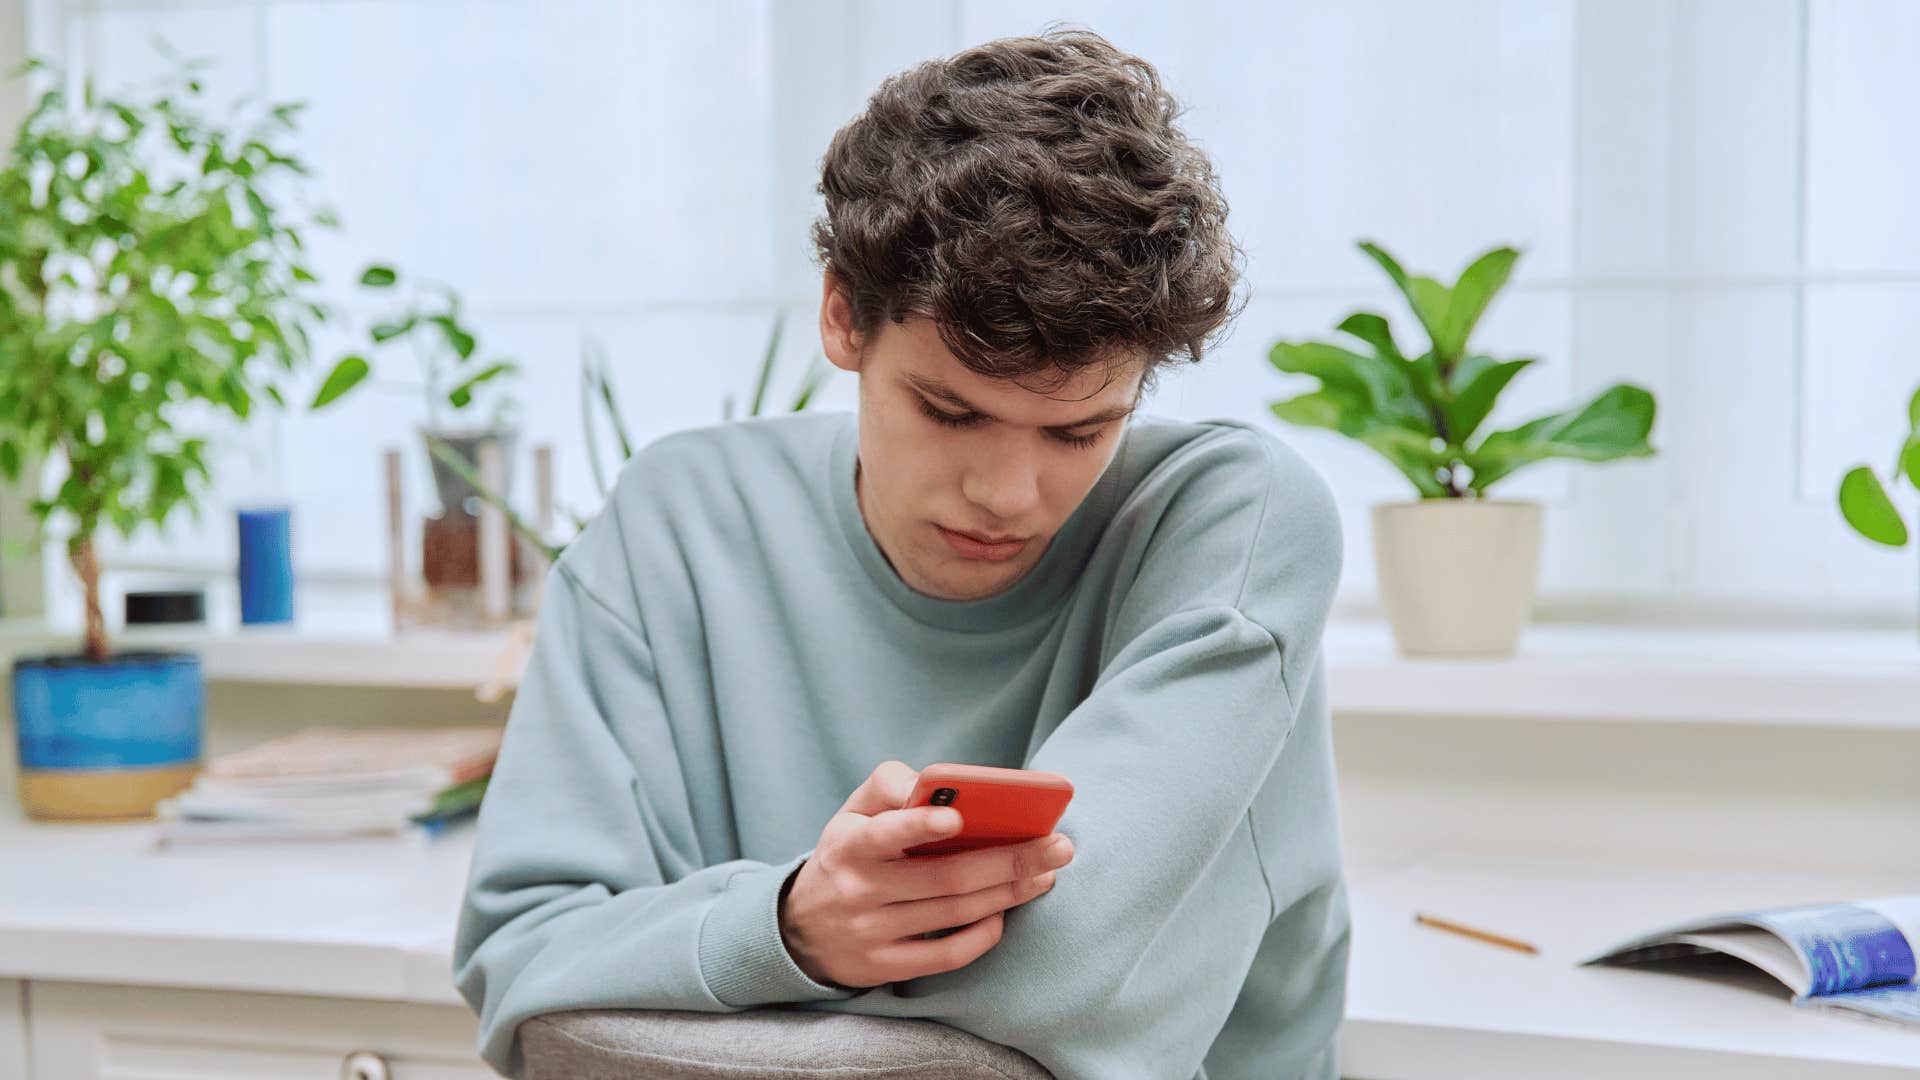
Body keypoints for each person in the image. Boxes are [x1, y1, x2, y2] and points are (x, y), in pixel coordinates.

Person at [452, 27, 1347, 1080]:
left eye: (1079, 431)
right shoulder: (678, 520)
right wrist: (789, 924)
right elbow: (519, 964)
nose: (1010, 497)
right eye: (949, 411)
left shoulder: (1231, 523)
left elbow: (1049, 978)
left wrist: (715, 953)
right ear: (842, 316)